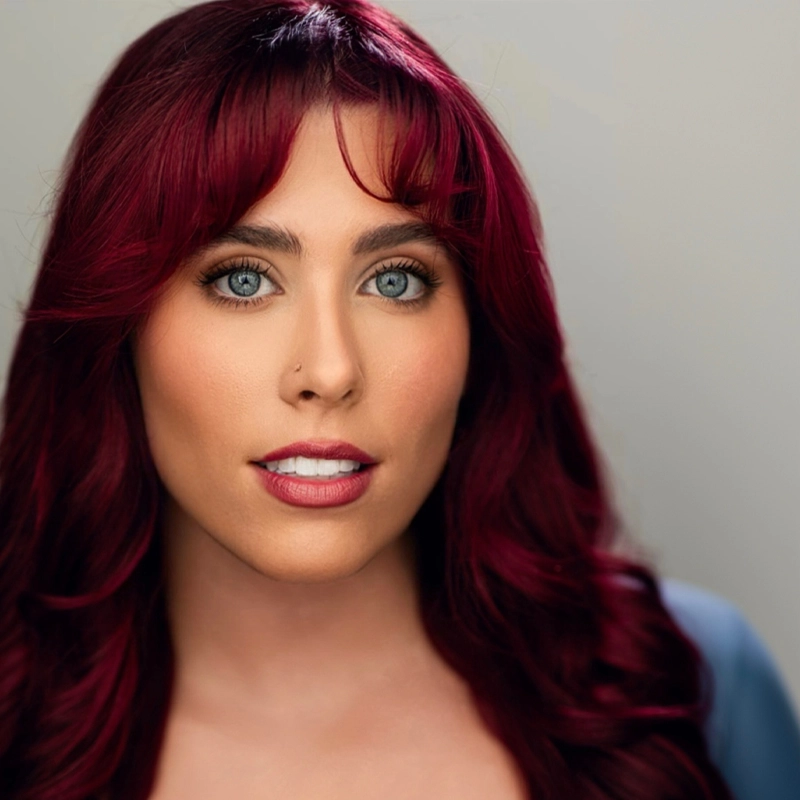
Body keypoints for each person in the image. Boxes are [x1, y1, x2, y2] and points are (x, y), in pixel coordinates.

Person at [0, 1, 798, 798]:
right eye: (242, 279)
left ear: (479, 329)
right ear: (117, 326)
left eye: (395, 279)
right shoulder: (15, 723)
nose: (330, 368)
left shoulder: (697, 683)